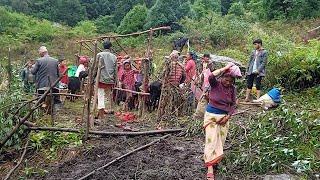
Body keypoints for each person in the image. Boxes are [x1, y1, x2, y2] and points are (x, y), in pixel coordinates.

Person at [203, 63, 242, 180]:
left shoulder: (232, 89)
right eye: (226, 79)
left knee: (220, 141)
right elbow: (210, 76)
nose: (228, 82)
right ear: (222, 77)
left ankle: (213, 160)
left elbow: (234, 104)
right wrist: (225, 68)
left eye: (231, 81)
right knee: (211, 140)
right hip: (211, 117)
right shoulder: (215, 84)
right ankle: (210, 167)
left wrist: (228, 116)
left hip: (224, 118)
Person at [96, 40, 117, 118]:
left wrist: (93, 78)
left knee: (100, 95)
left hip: (101, 79)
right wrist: (115, 80)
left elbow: (95, 67)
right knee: (108, 96)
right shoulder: (114, 57)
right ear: (110, 47)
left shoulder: (99, 55)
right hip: (110, 79)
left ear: (103, 47)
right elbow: (115, 70)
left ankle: (101, 113)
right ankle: (107, 110)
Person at [193, 54, 214, 119]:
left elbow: (212, 71)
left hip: (207, 81)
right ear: (204, 58)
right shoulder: (201, 63)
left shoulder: (211, 64)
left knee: (205, 95)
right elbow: (198, 71)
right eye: (206, 57)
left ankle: (204, 111)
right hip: (201, 80)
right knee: (199, 94)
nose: (207, 59)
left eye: (208, 58)